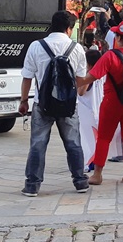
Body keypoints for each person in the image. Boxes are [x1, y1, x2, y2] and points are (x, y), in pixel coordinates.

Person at [19, 11, 90, 197]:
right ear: (69, 28)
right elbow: (80, 80)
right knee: (73, 143)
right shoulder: (77, 49)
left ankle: (32, 185)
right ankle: (80, 181)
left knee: (38, 144)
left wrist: (23, 101)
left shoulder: (36, 46)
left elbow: (27, 77)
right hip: (68, 105)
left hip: (41, 104)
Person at [79, 20, 123, 185]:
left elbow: (91, 77)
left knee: (104, 137)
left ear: (118, 37)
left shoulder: (110, 56)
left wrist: (75, 81)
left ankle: (97, 174)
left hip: (113, 102)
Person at [78, 49, 103, 172]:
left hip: (87, 111)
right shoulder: (103, 73)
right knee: (97, 139)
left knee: (88, 140)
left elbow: (81, 92)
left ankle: (87, 164)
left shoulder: (89, 75)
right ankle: (95, 162)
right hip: (99, 110)